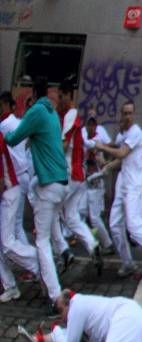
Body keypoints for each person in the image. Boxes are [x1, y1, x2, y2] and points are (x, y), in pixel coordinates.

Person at [3, 76, 70, 314]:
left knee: (41, 241)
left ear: (33, 92)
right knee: (46, 237)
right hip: (61, 183)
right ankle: (49, 279)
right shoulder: (51, 113)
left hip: (49, 183)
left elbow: (11, 138)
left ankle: (55, 296)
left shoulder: (36, 112)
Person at [95, 101, 142, 278]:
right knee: (115, 225)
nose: (128, 116)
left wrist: (101, 147)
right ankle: (128, 263)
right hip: (125, 182)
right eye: (125, 113)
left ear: (133, 114)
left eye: (130, 113)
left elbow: (122, 153)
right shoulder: (124, 134)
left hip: (138, 185)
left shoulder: (136, 131)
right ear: (121, 115)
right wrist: (107, 165)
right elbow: (121, 159)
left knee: (137, 225)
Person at [54, 79, 101, 275]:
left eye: (60, 97)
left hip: (70, 174)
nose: (59, 101)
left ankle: (63, 251)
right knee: (71, 216)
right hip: (77, 176)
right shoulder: (71, 116)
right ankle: (92, 245)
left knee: (50, 211)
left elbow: (63, 145)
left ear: (67, 95)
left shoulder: (71, 115)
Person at [0, 92, 40, 298]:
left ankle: (39, 262)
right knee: (6, 239)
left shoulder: (4, 128)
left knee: (7, 243)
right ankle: (9, 286)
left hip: (9, 191)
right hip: (11, 189)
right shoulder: (10, 124)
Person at [0, 91, 32, 248]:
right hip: (23, 175)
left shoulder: (4, 125)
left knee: (15, 225)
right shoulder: (20, 123)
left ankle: (30, 263)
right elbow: (28, 142)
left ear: (6, 105)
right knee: (15, 224)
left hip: (15, 178)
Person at [81, 116, 115, 255]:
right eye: (89, 124)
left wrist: (102, 161)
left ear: (96, 126)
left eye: (93, 125)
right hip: (85, 181)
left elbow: (104, 160)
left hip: (96, 182)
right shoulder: (85, 142)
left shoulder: (98, 142)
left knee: (94, 218)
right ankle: (91, 242)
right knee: (80, 213)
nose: (91, 127)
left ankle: (107, 244)